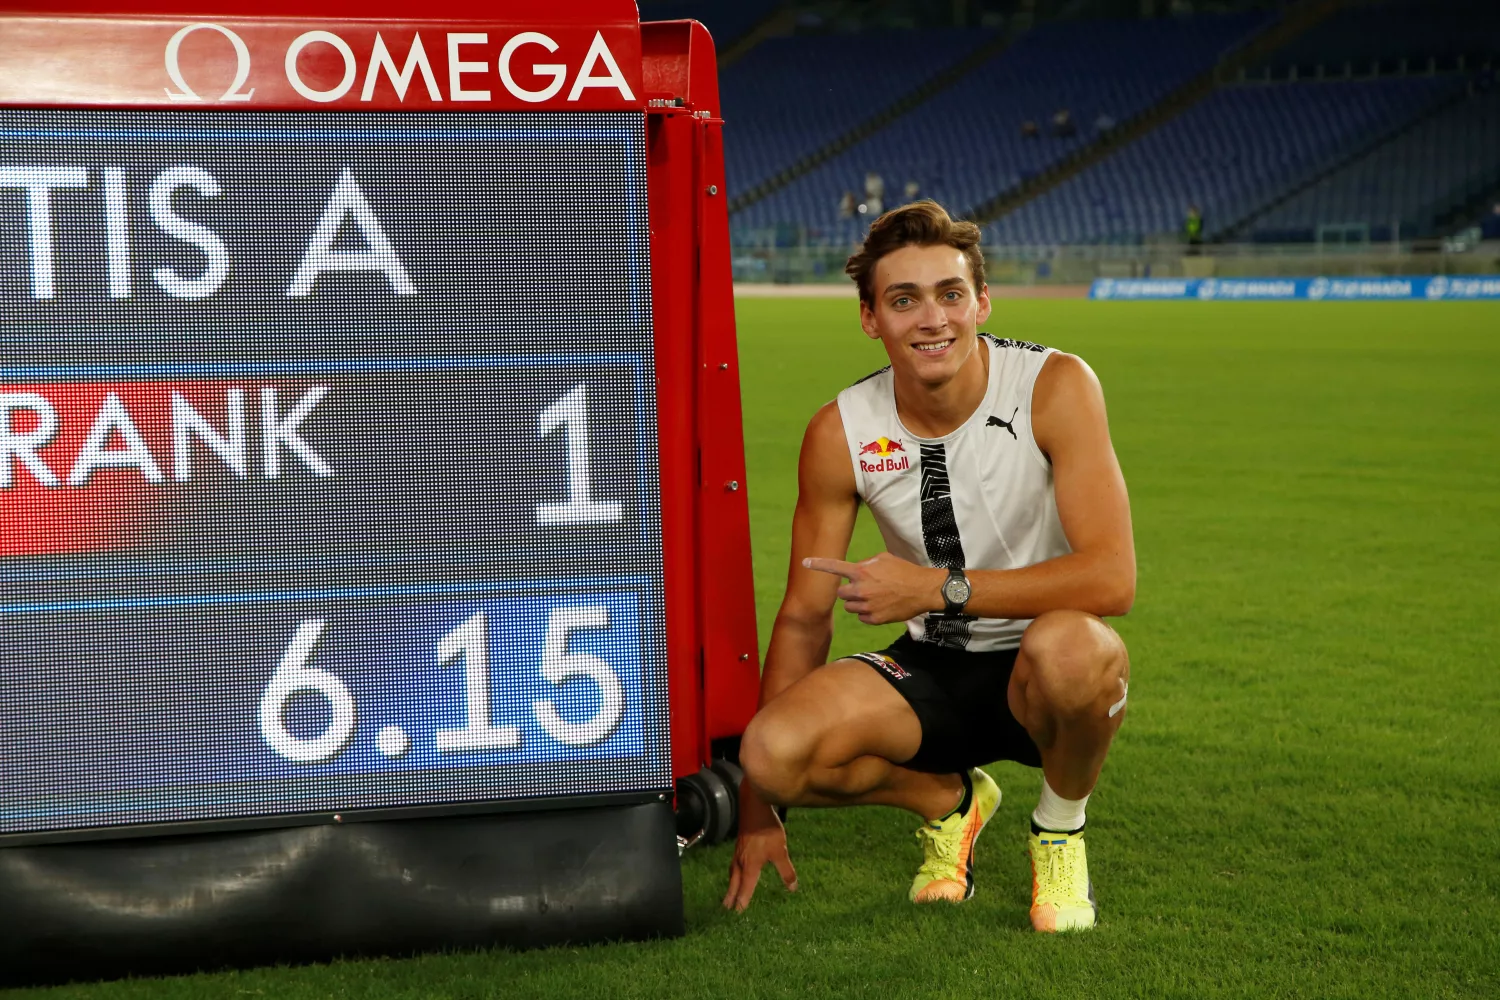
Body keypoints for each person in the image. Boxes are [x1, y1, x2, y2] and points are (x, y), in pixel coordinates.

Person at [723, 200, 1135, 932]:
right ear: (870, 317)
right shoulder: (841, 431)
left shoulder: (1054, 385)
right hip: (931, 668)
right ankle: (950, 801)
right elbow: (804, 616)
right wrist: (759, 808)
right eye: (904, 300)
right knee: (771, 754)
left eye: (950, 294)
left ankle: (1059, 830)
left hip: (1043, 660)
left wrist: (935, 588)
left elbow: (1112, 578)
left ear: (982, 301)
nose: (932, 319)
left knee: (1077, 649)